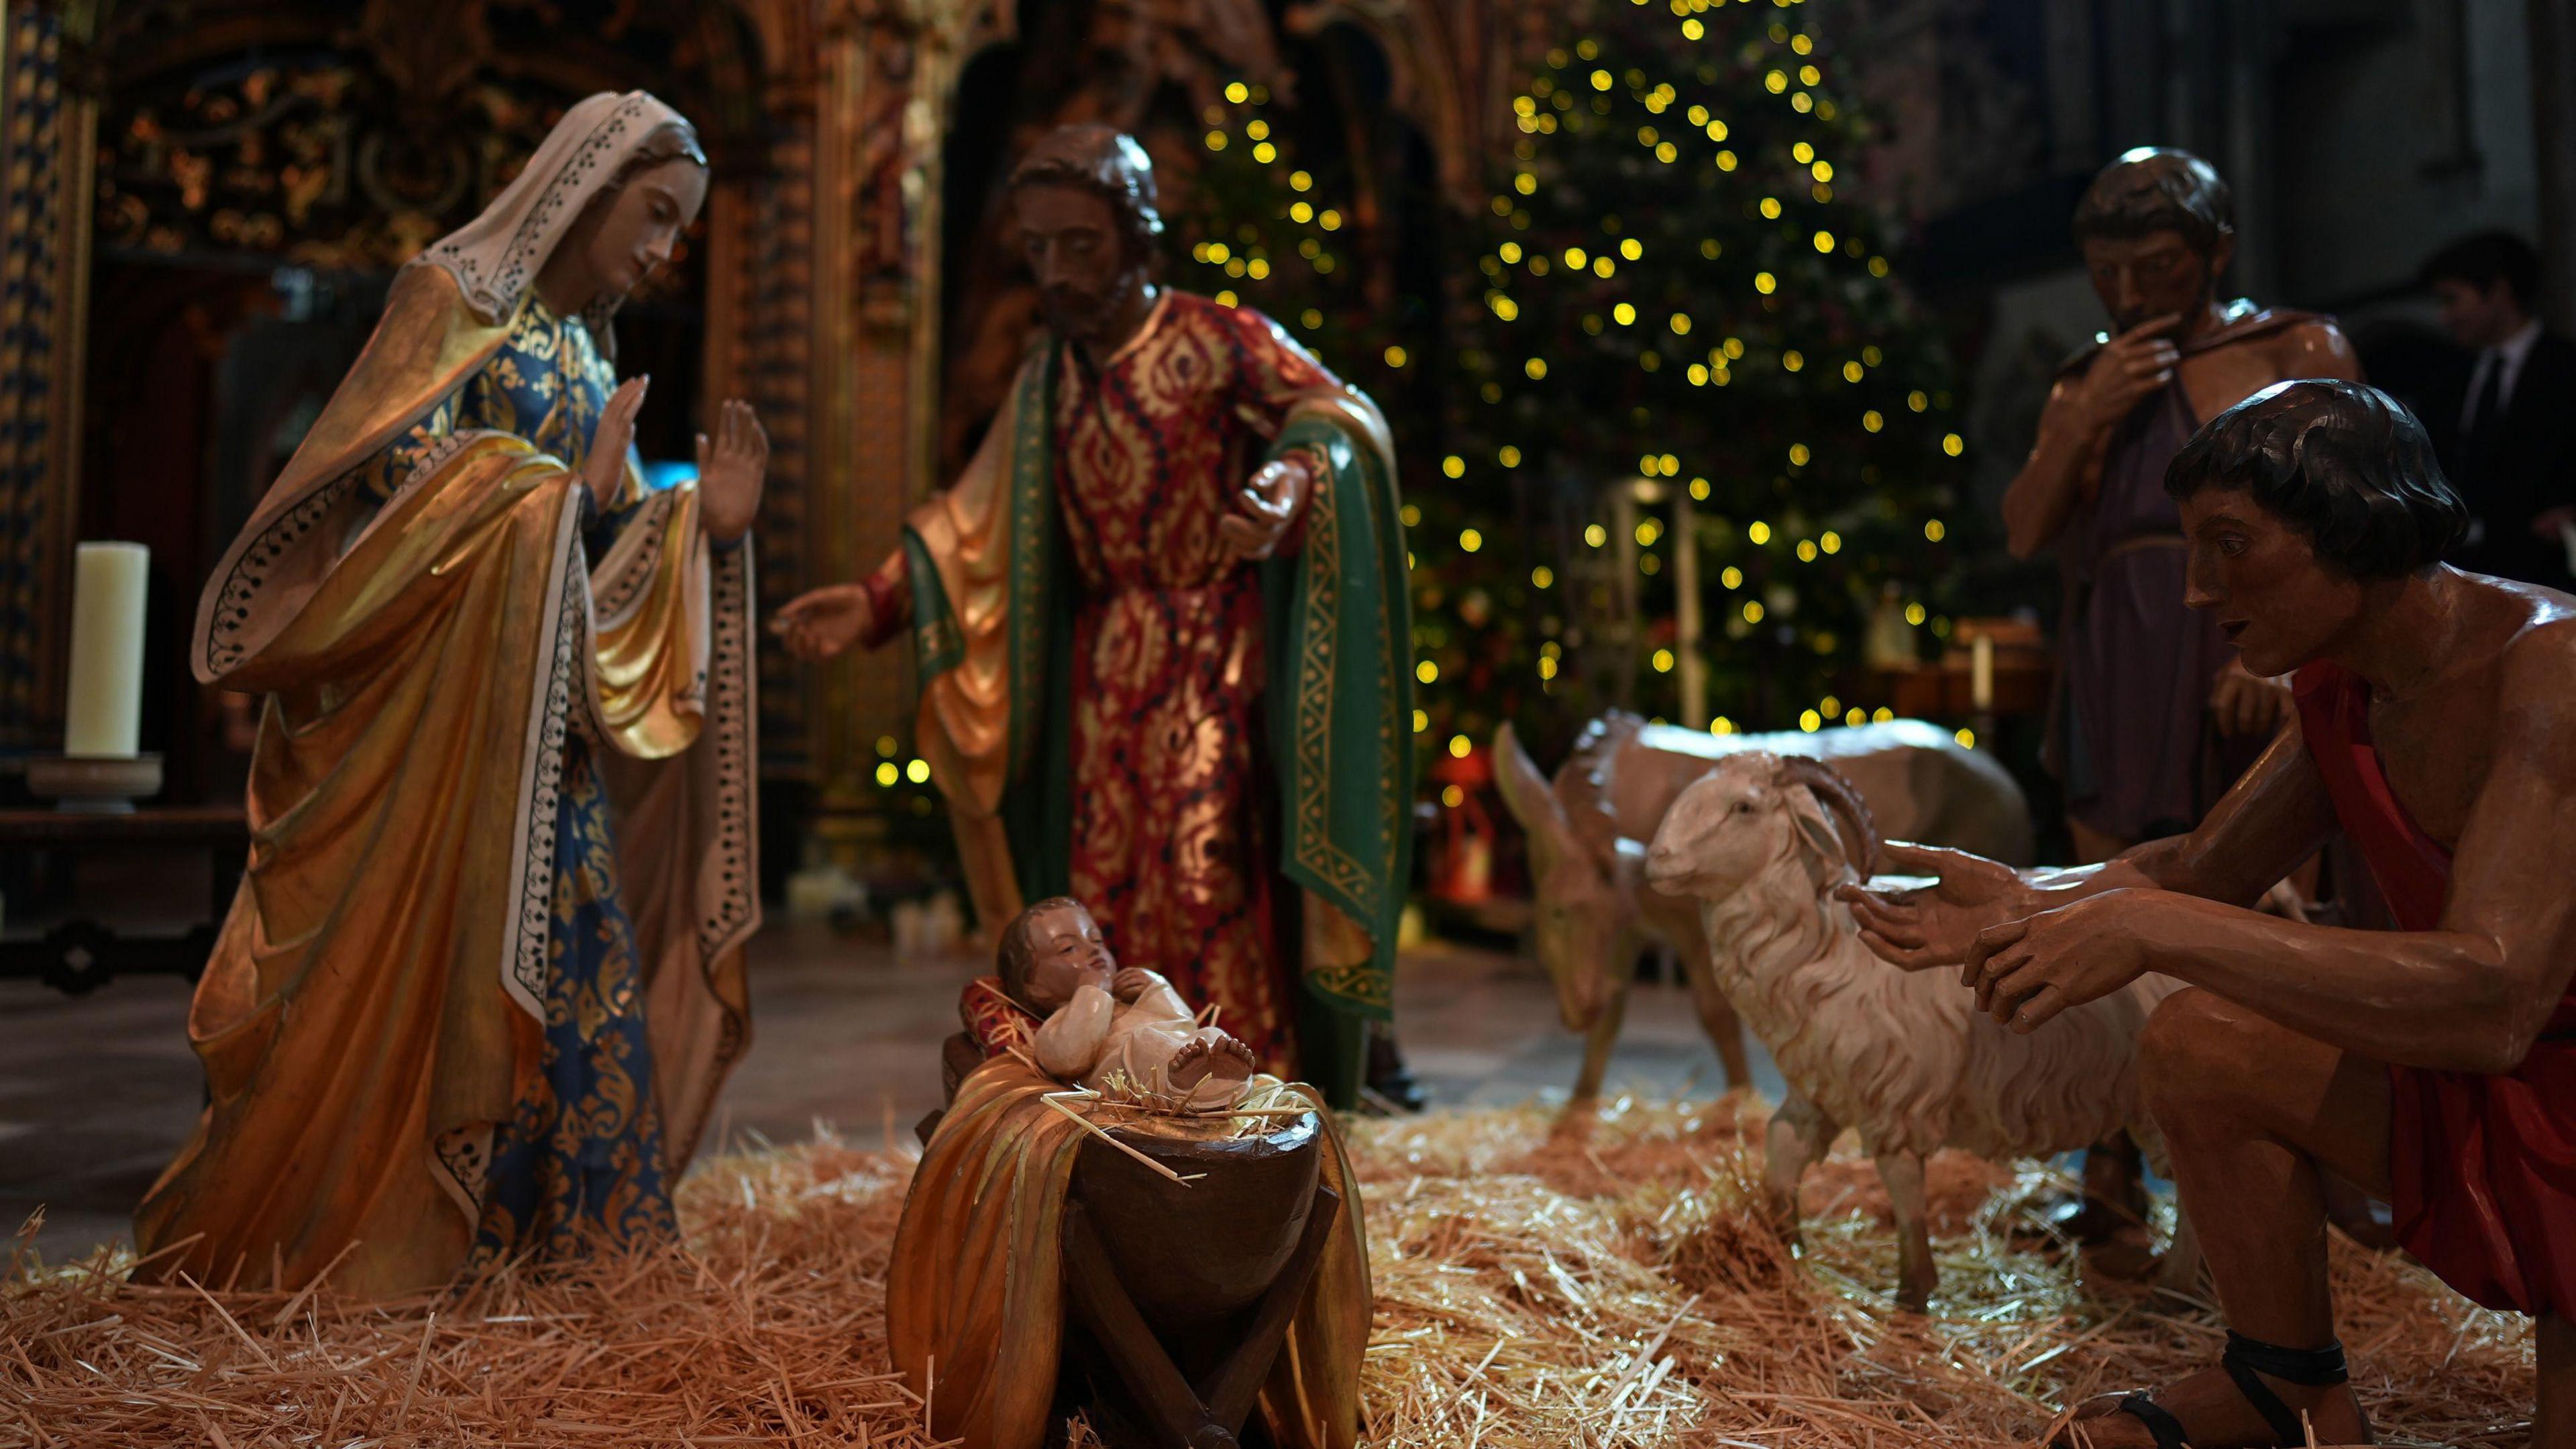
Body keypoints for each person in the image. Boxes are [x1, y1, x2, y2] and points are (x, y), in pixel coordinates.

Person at [1842, 380, 2576, 1448]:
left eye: (2229, 543)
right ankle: (2284, 1387)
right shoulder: (2347, 682)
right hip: (2506, 1094)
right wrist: (2024, 896)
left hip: (2538, 1077)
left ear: (2350, 516)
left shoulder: (2549, 663)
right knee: (2198, 1043)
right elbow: (2201, 867)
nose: (2196, 591)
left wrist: (2152, 931)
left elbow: (2494, 996)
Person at [135, 93, 767, 1295]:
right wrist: (554, 499)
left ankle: (558, 1255)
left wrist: (698, 527)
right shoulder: (452, 303)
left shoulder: (588, 349)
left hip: (542, 743)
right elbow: (385, 510)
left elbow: (601, 544)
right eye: (652, 216)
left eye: (679, 232)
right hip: (431, 742)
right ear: (581, 186)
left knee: (579, 988)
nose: (661, 251)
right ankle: (401, 1251)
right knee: (423, 993)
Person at [771, 125, 1411, 1108]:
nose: (1058, 272)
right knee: (1092, 907)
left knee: (1207, 880)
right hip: (1100, 675)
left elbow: (1337, 414)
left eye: (1082, 243)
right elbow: (968, 525)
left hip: (1212, 659)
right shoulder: (1046, 379)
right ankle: (1117, 1106)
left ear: (1136, 232)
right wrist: (873, 601)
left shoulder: (1216, 337)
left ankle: (1247, 1102)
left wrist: (1288, 481)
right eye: (1038, 248)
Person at [2423, 229, 2576, 586]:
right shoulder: (2450, 382)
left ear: (2498, 292)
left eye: (2452, 300)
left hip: (2549, 581)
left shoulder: (2568, 369)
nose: (2445, 317)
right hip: (2467, 578)